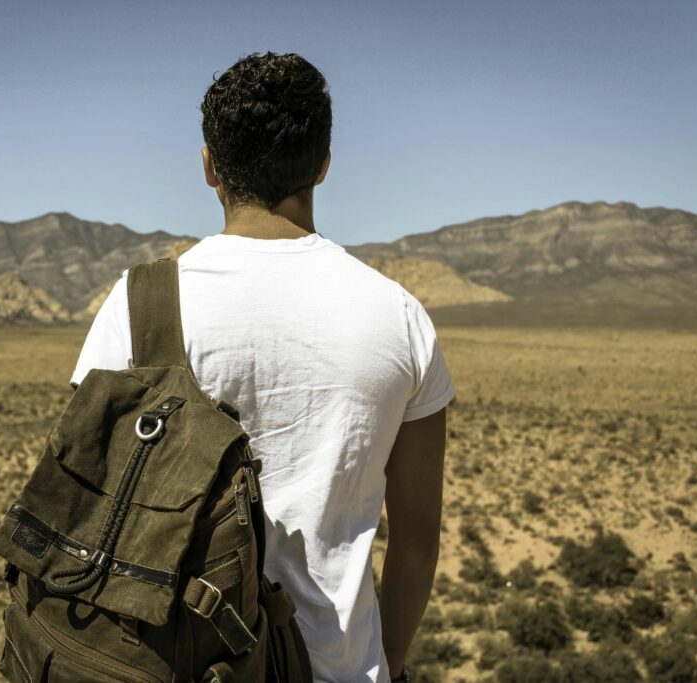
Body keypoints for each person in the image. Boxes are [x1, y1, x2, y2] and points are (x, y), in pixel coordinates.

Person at [70, 51, 453, 683]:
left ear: (209, 167)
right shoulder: (401, 317)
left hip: (171, 664)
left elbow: (87, 494)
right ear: (324, 164)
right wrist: (385, 665)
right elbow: (417, 537)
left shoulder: (140, 305)